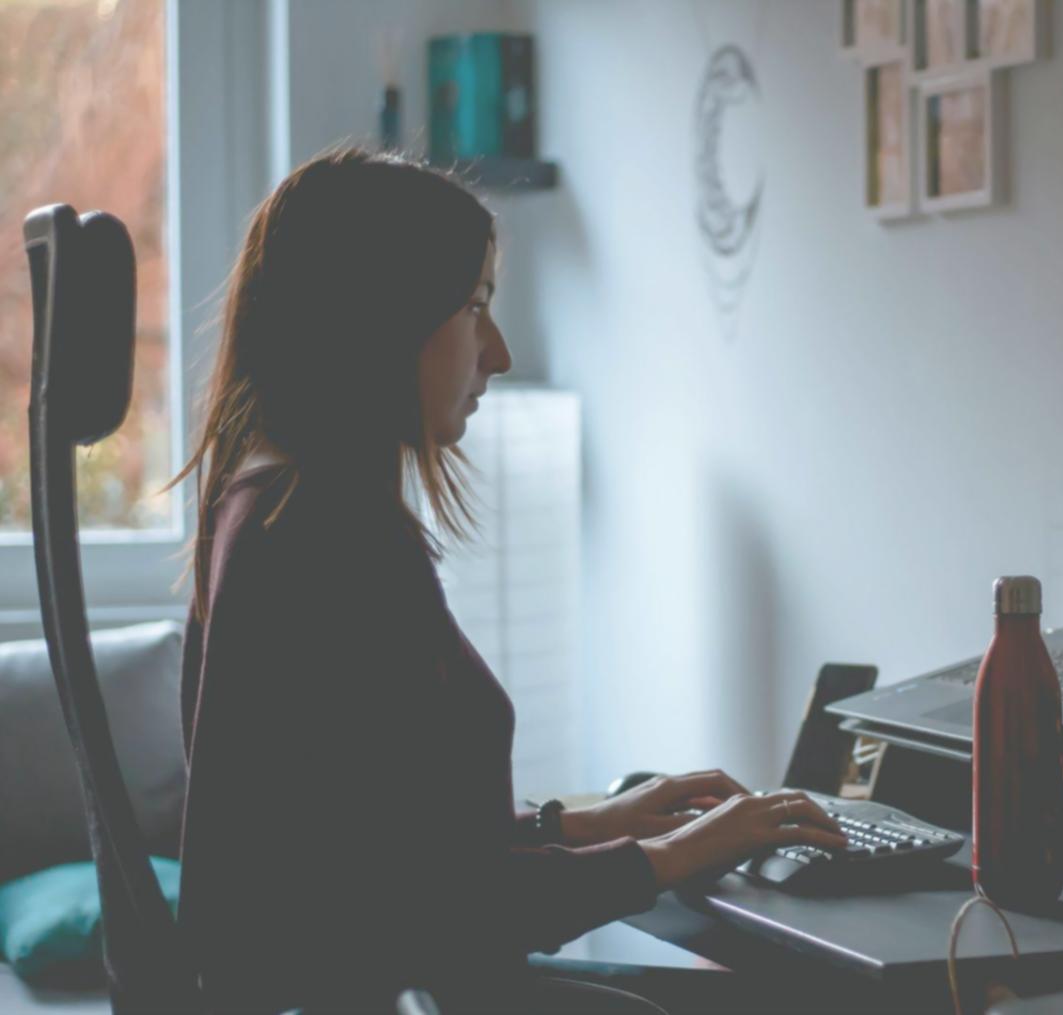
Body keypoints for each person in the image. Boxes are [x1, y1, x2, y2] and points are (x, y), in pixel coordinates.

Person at [169, 148, 846, 1014]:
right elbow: (438, 912)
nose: (499, 350)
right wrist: (675, 854)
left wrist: (581, 824)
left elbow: (370, 847)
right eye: (475, 307)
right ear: (381, 314)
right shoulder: (333, 533)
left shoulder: (263, 504)